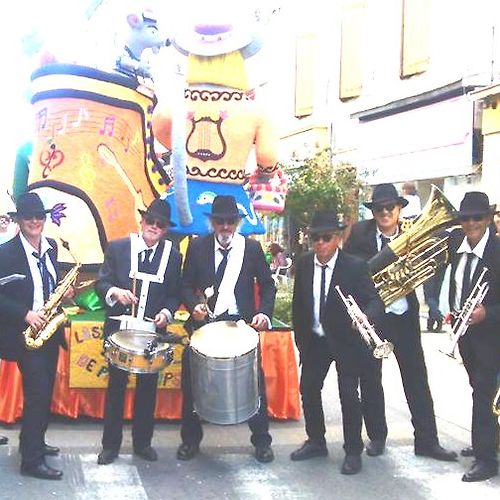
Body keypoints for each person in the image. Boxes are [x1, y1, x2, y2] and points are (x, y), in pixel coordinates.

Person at [344, 183, 457, 461]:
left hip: (404, 315)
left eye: (390, 208)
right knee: (371, 379)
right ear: (374, 211)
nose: (385, 213)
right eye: (379, 208)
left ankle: (427, 441)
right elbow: (355, 270)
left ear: (398, 208)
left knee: (417, 378)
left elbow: (435, 258)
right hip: (374, 316)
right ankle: (378, 437)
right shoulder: (360, 233)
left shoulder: (411, 231)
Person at [177, 195, 276, 463]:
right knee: (191, 382)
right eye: (220, 221)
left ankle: (262, 441)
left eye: (230, 222)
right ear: (212, 222)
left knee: (254, 383)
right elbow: (185, 284)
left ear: (237, 223)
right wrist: (193, 305)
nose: (225, 227)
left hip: (240, 325)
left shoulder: (251, 250)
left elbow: (268, 285)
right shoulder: (197, 247)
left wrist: (264, 313)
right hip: (206, 323)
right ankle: (190, 440)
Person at [290, 210, 385, 475]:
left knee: (348, 396)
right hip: (316, 340)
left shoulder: (355, 266)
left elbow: (375, 300)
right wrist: (301, 340)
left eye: (326, 237)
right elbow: (300, 305)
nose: (320, 243)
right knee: (308, 388)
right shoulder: (306, 263)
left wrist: (366, 317)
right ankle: (316, 441)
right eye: (315, 238)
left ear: (338, 238)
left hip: (346, 341)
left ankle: (353, 451)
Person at [95, 198, 182, 465]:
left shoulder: (173, 255)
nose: (154, 227)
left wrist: (166, 313)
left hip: (150, 333)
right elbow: (102, 282)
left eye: (161, 224)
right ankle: (110, 445)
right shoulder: (119, 247)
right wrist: (115, 292)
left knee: (147, 389)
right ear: (142, 221)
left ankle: (143, 443)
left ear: (166, 229)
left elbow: (173, 293)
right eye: (151, 221)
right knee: (116, 388)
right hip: (120, 330)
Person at [0, 192, 72, 479]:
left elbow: (49, 283)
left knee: (44, 394)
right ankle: (31, 461)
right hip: (25, 334)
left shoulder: (51, 247)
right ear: (19, 220)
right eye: (28, 217)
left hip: (49, 332)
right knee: (37, 395)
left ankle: (36, 442)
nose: (34, 222)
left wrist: (64, 292)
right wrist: (25, 314)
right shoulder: (6, 253)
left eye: (39, 217)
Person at [447, 191, 500, 482]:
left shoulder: (498, 252)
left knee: (484, 393)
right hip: (465, 334)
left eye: (477, 217)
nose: (471, 223)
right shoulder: (457, 243)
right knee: (478, 390)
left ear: (489, 219)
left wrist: (487, 314)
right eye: (465, 218)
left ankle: (486, 459)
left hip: (492, 336)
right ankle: (486, 440)